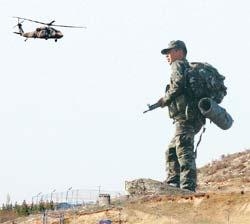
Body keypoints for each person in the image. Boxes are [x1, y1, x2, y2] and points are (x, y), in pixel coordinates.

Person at [158, 40, 205, 192]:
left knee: (184, 151)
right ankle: (173, 183)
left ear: (179, 51)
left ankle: (187, 188)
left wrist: (165, 99)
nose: (167, 56)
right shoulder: (188, 68)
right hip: (193, 117)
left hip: (185, 118)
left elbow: (177, 85)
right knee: (172, 150)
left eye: (169, 52)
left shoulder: (178, 65)